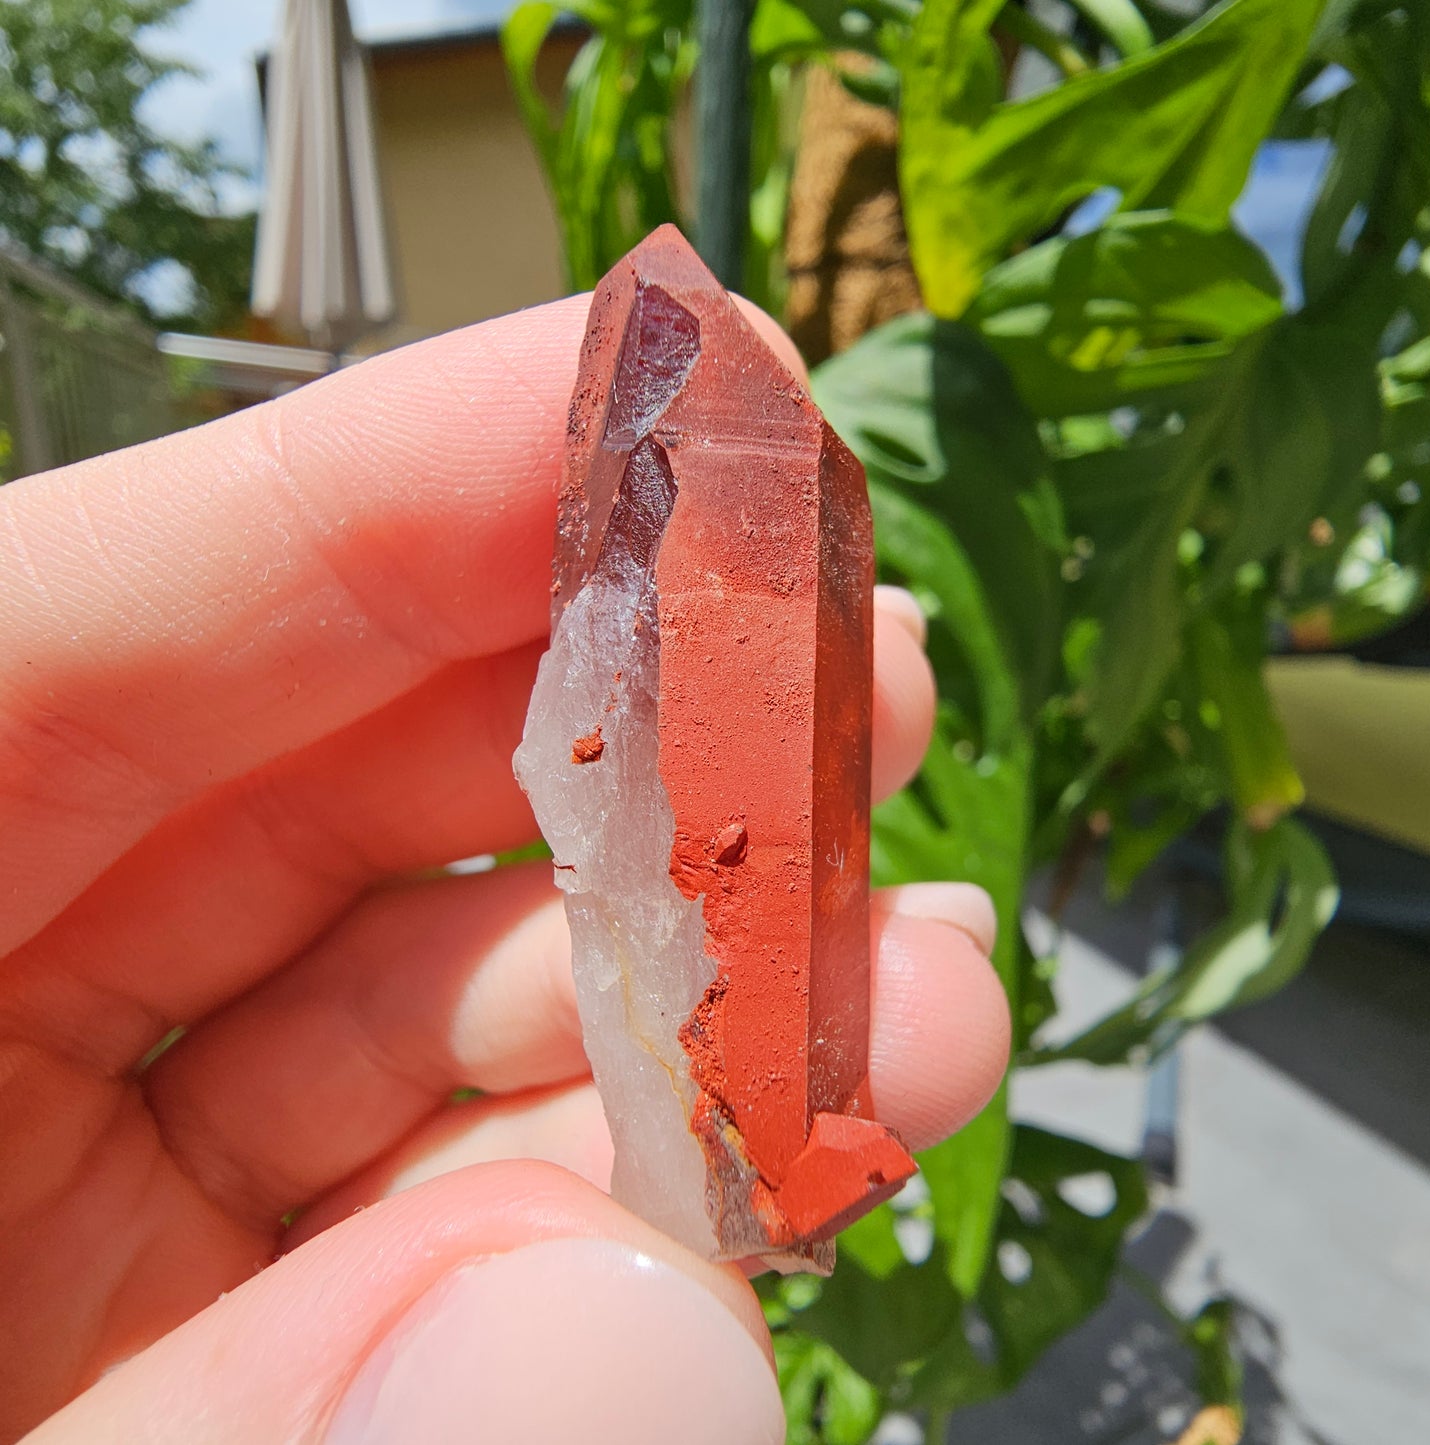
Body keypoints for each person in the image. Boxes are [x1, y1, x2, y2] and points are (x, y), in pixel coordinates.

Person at [0, 295, 1010, 1445]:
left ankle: (754, 1179)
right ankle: (744, 1181)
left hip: (761, 1150)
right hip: (730, 1151)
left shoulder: (744, 480)